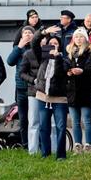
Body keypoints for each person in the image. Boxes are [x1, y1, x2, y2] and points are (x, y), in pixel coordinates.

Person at [32, 31, 69, 159]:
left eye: (56, 43)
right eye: (51, 44)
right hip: (43, 97)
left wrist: (57, 57)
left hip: (59, 99)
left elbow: (60, 72)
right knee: (43, 127)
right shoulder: (42, 58)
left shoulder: (65, 59)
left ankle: (61, 155)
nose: (53, 46)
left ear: (60, 46)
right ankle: (45, 154)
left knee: (61, 127)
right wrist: (43, 32)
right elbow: (34, 43)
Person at [7, 26, 36, 152]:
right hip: (21, 89)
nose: (28, 35)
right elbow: (10, 61)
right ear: (21, 35)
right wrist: (19, 47)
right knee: (23, 119)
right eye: (25, 33)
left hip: (34, 88)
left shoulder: (36, 48)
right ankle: (25, 145)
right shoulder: (17, 49)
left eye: (30, 33)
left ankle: (35, 144)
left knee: (34, 118)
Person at [65, 28, 91, 153]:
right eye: (76, 37)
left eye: (81, 37)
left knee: (86, 120)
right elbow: (64, 67)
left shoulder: (90, 52)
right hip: (72, 91)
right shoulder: (70, 53)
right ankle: (77, 144)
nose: (78, 39)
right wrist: (68, 72)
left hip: (85, 90)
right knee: (75, 121)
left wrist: (82, 71)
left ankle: (89, 144)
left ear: (85, 39)